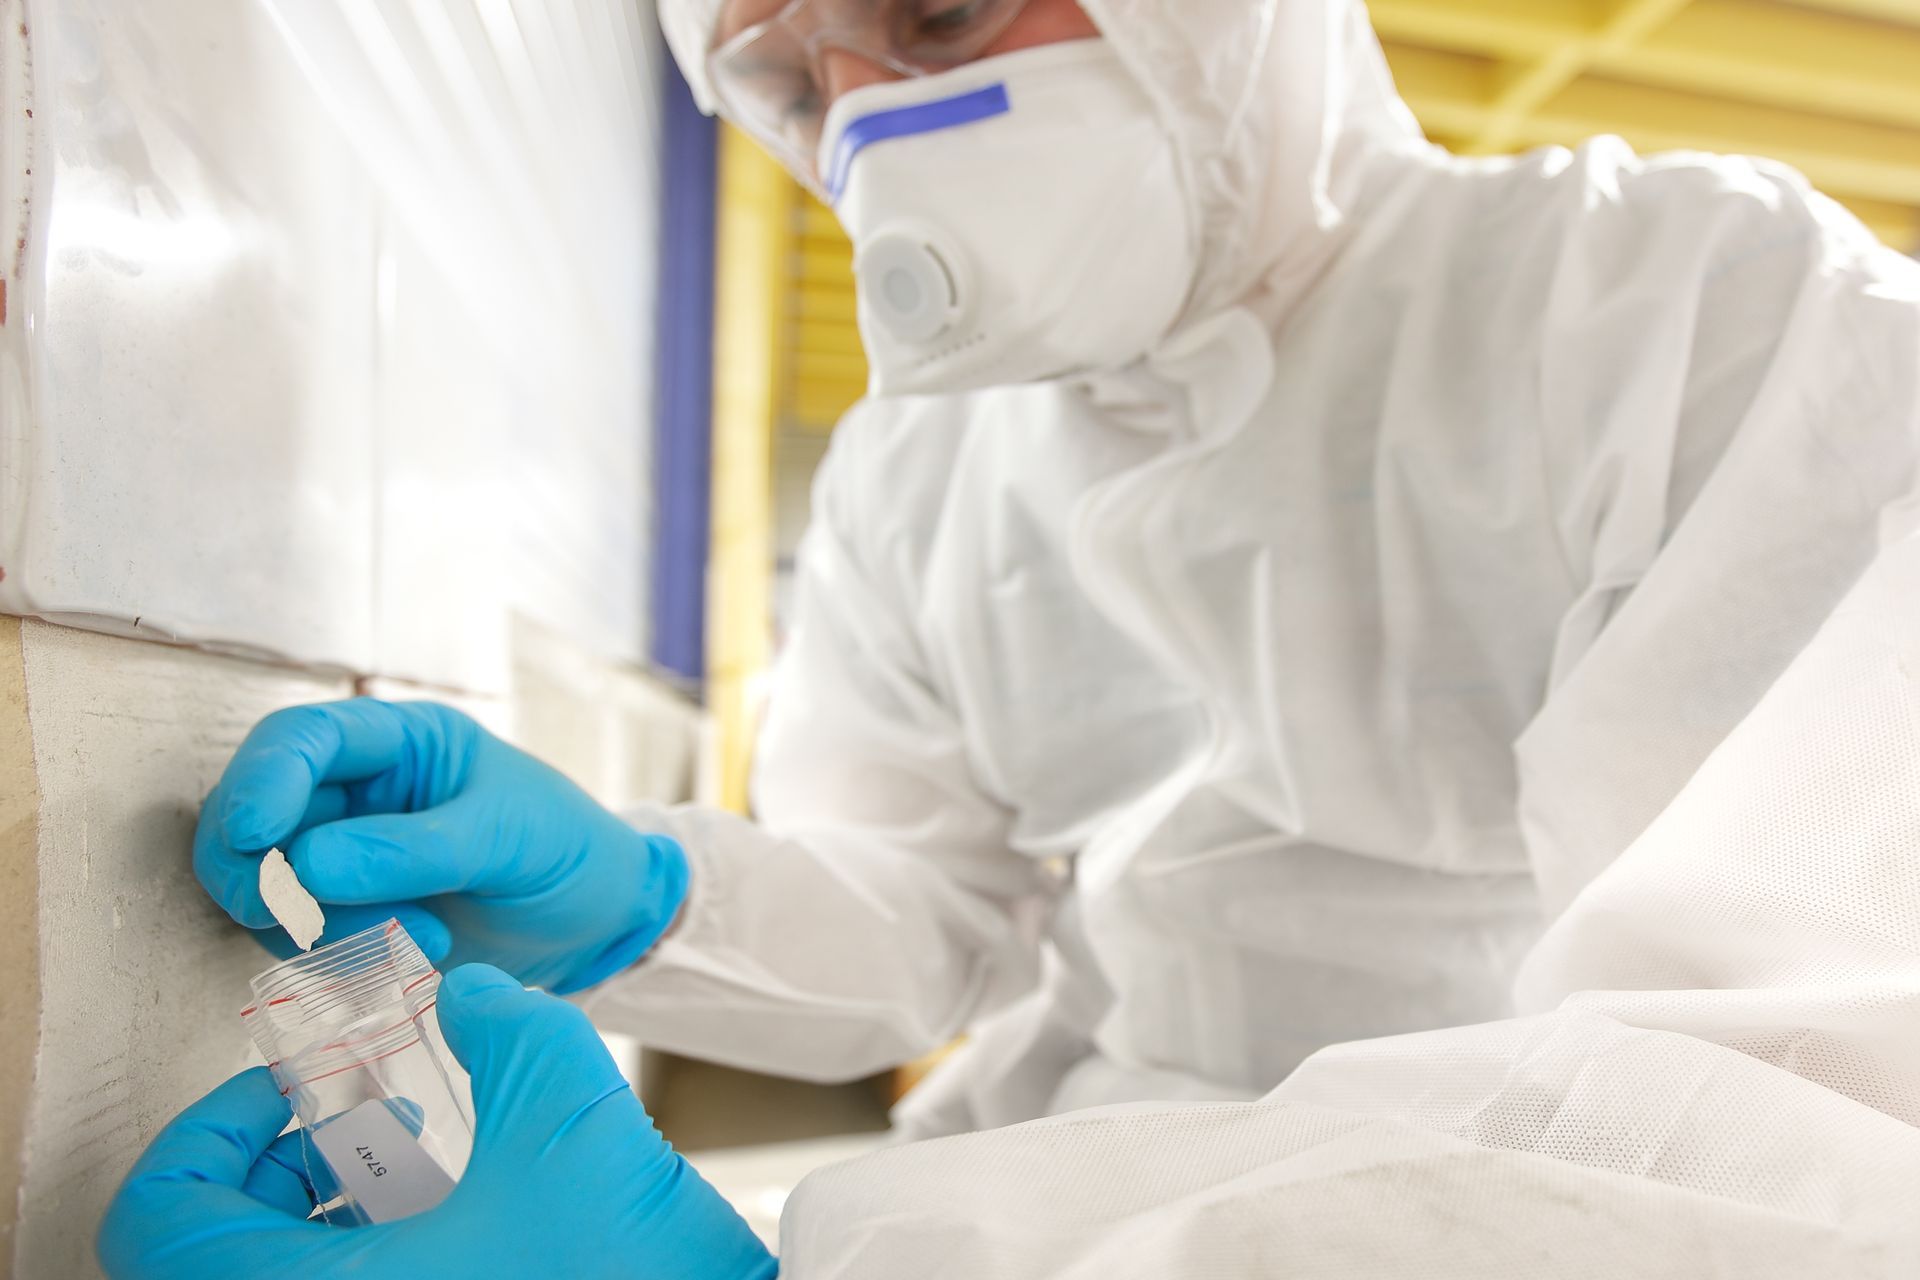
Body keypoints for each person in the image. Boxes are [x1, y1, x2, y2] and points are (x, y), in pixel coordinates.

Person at [102, 0, 1920, 1274]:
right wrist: (646, 894)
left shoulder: (1696, 315)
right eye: (793, 83)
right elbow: (931, 925)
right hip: (1041, 1201)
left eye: (949, 13)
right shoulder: (923, 471)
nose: (870, 123)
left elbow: (1801, 1113)